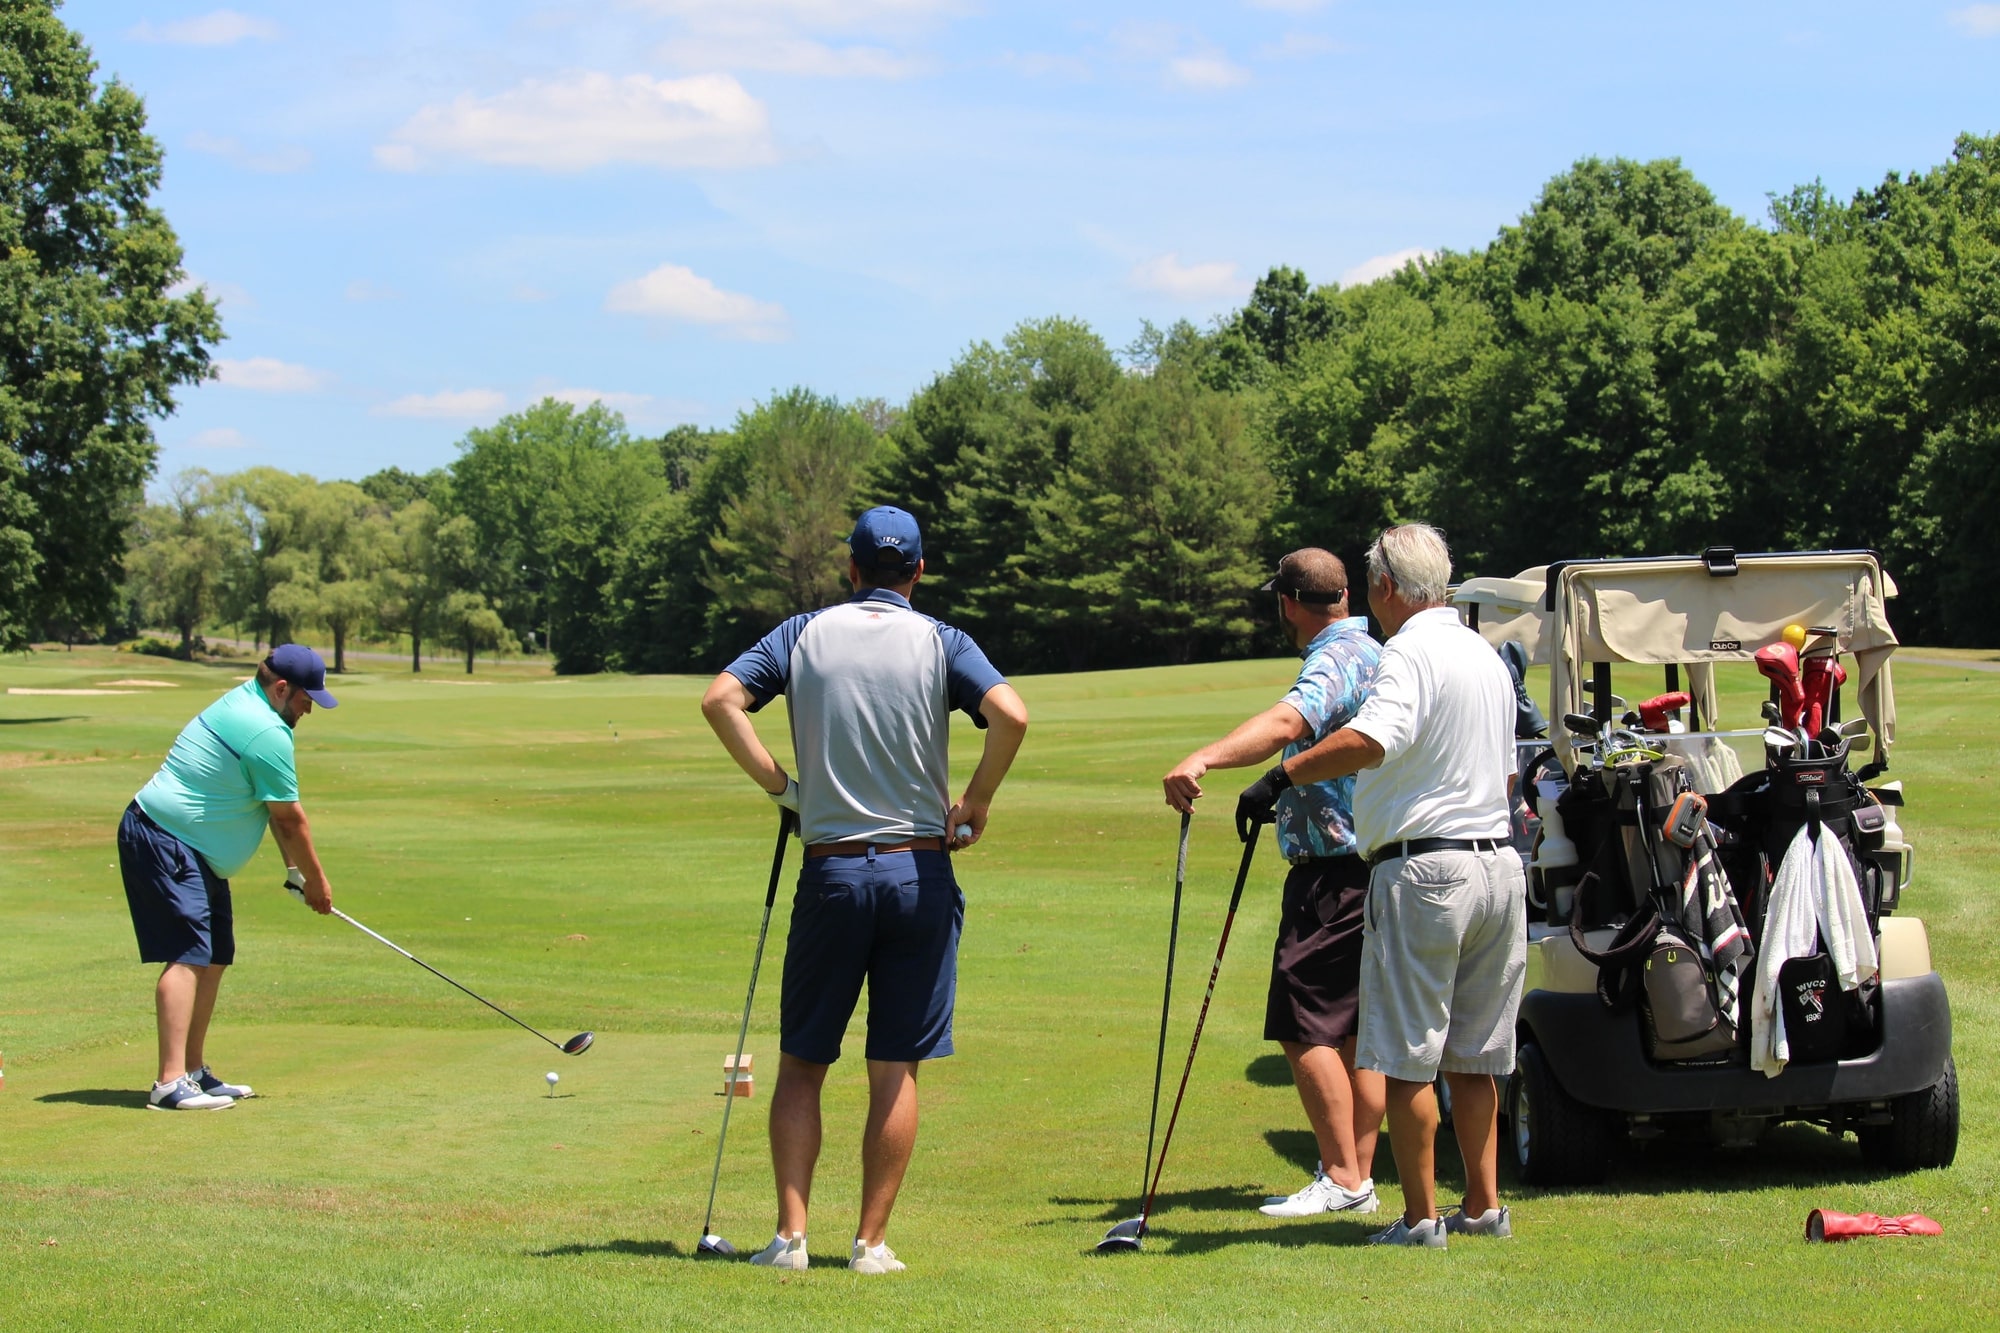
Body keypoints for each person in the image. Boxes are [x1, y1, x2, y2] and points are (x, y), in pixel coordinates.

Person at [702, 505, 1029, 1275]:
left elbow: (720, 699)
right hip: (920, 870)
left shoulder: (801, 633)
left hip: (835, 870)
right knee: (896, 1065)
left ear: (850, 570)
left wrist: (784, 788)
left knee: (804, 1061)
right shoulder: (943, 640)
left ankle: (790, 1238)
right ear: (917, 572)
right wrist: (977, 799)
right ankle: (871, 1244)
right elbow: (1010, 713)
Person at [1241, 523, 1524, 1249]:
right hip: (1498, 865)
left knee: (1404, 1054)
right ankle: (1484, 1205)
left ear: (1388, 587)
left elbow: (1373, 737)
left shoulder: (1409, 651)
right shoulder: (1484, 653)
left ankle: (1422, 1216)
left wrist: (1284, 772)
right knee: (1475, 1055)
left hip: (1427, 869)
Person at [1161, 549, 1386, 1219]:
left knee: (1302, 1021)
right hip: (1371, 865)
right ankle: (1355, 1176)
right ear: (1345, 594)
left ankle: (1344, 1176)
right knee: (1351, 1032)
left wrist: (1204, 756)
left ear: (1287, 603)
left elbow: (1288, 722)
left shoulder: (1334, 659)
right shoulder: (1373, 649)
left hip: (1333, 874)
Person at [117, 644, 337, 1111]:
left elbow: (268, 806)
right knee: (190, 953)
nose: (310, 707)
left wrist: (295, 870)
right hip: (166, 837)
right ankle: (168, 1083)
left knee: (214, 953)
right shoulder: (265, 732)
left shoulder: (248, 702)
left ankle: (193, 1072)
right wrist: (316, 883)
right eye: (306, 697)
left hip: (191, 848)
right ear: (282, 688)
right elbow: (288, 818)